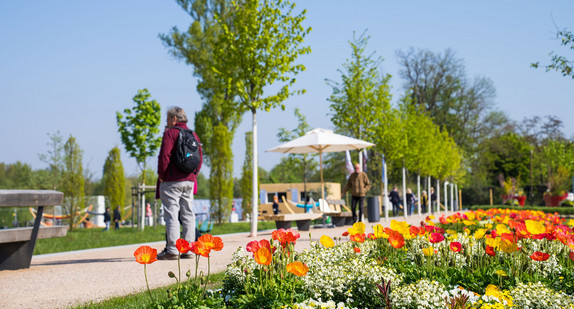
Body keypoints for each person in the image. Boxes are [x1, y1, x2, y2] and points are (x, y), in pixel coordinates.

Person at [156, 106, 202, 260]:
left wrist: (162, 176)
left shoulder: (171, 133)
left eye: (168, 119)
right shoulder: (193, 134)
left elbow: (164, 156)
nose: (167, 122)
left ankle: (173, 250)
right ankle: (188, 249)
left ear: (174, 119)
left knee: (172, 215)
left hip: (172, 181)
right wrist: (193, 175)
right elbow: (199, 158)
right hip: (189, 181)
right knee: (188, 214)